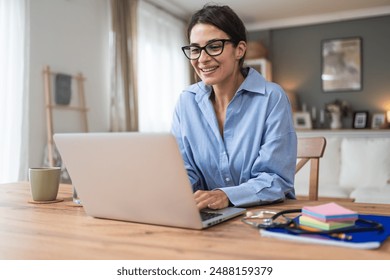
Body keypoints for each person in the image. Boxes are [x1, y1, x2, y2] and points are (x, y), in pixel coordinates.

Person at [171, 4, 297, 210]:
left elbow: (276, 179)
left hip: (264, 215)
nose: (202, 59)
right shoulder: (186, 102)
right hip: (210, 217)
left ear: (239, 50)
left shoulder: (271, 98)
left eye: (213, 46)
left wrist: (226, 195)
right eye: (195, 49)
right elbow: (184, 171)